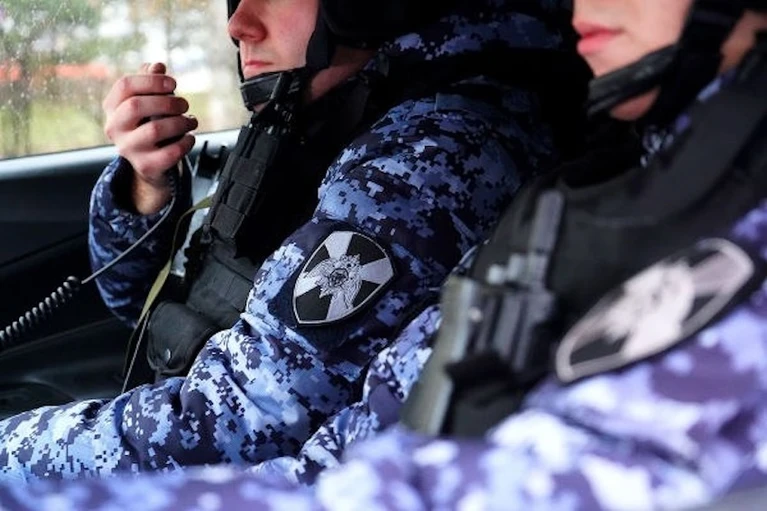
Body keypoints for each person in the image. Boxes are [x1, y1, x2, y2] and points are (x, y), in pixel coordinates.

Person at [0, 0, 764, 508]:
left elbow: (246, 424)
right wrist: (145, 188)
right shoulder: (312, 126)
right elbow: (153, 312)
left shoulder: (436, 152)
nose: (238, 23)